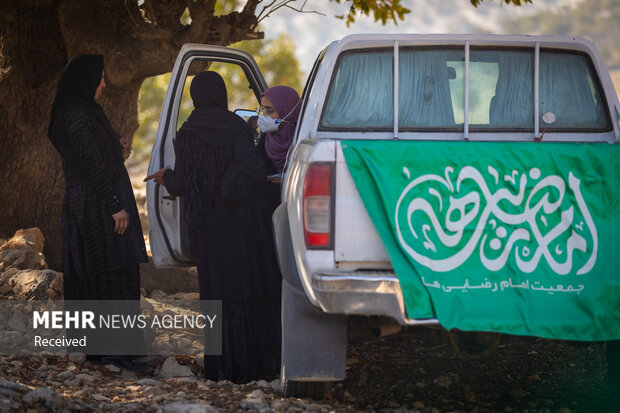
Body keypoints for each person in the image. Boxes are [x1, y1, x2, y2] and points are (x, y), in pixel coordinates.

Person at [144, 71, 282, 383]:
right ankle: (259, 365)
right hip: (242, 227)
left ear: (196, 96)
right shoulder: (237, 128)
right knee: (246, 290)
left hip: (207, 231)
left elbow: (184, 184)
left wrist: (167, 176)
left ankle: (223, 369)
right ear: (220, 94)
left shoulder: (188, 132)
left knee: (218, 296)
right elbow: (256, 170)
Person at [47, 54, 147, 361]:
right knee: (106, 270)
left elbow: (98, 153)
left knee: (106, 272)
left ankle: (105, 349)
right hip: (95, 207)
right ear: (86, 79)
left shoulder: (87, 111)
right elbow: (90, 164)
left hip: (97, 202)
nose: (103, 83)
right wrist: (115, 205)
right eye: (100, 77)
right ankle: (114, 353)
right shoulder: (75, 114)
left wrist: (117, 146)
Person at [257, 86, 301, 174]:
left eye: (269, 110)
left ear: (288, 111)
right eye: (262, 109)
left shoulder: (303, 138)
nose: (263, 115)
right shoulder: (265, 139)